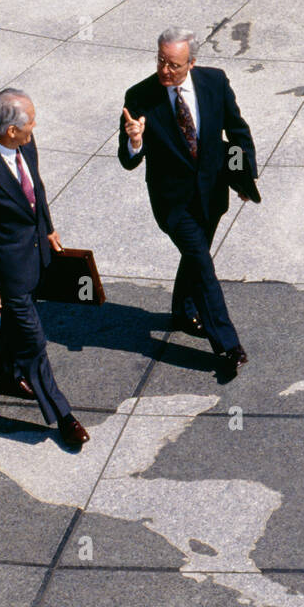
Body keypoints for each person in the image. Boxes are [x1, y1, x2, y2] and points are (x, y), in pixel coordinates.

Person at [118, 26, 260, 371]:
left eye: (174, 65)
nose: (165, 70)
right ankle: (226, 345)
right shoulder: (139, 96)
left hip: (212, 195)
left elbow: (237, 132)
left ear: (192, 63)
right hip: (173, 203)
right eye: (161, 61)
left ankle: (183, 311)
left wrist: (242, 175)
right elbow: (128, 160)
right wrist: (135, 140)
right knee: (202, 263)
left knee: (195, 258)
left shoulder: (215, 82)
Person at [0, 88, 90, 448]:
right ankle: (63, 416)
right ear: (10, 130)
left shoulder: (25, 145)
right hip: (7, 273)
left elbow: (37, 190)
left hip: (34, 258)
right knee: (34, 342)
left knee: (17, 327)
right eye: (30, 121)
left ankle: (7, 378)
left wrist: (47, 227)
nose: (35, 125)